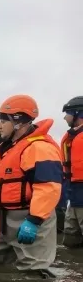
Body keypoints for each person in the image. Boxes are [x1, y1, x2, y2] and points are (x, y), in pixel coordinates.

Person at [0, 95, 63, 277]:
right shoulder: (7, 147)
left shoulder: (39, 147)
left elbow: (48, 187)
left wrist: (34, 220)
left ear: (18, 122)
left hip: (30, 216)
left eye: (3, 120)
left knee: (34, 271)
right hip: (4, 215)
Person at [60, 96, 83, 247]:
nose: (64, 117)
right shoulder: (72, 137)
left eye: (67, 113)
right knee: (70, 237)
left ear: (77, 113)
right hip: (74, 194)